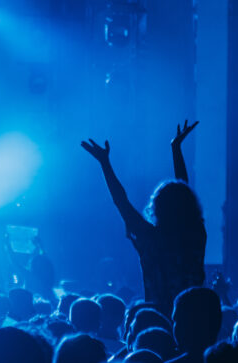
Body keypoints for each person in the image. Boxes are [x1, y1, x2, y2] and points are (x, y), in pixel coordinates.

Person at [81, 121, 206, 314]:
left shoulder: (151, 238)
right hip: (195, 317)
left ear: (157, 208)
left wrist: (105, 164)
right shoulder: (196, 236)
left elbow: (121, 201)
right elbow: (182, 191)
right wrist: (176, 149)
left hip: (158, 318)